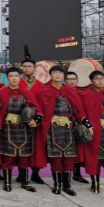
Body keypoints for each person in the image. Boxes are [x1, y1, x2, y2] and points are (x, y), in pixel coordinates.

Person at [37, 66, 93, 197]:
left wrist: (88, 124)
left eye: (60, 73)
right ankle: (57, 185)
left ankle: (67, 185)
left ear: (63, 75)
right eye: (54, 73)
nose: (57, 75)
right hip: (52, 129)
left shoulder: (70, 90)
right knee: (56, 158)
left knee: (69, 158)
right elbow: (40, 110)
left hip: (69, 129)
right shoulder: (44, 91)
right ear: (50, 75)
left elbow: (78, 110)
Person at [0, 67, 43, 193]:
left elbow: (37, 109)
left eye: (16, 76)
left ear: (19, 78)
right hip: (8, 128)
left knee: (24, 157)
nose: (14, 78)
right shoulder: (1, 93)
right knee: (8, 157)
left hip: (24, 129)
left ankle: (25, 182)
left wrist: (36, 119)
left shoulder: (26, 92)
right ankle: (7, 182)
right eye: (11, 76)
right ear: (7, 78)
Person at [19, 59, 45, 185]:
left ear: (34, 68)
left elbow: (43, 104)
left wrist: (38, 119)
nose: (27, 68)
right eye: (25, 66)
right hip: (19, 120)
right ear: (21, 68)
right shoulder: (17, 82)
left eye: (30, 66)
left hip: (36, 120)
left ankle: (35, 173)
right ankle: (21, 174)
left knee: (37, 147)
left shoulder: (41, 85)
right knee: (21, 146)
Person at [65, 71, 90, 184]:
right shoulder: (62, 93)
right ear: (65, 81)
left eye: (74, 79)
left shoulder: (82, 94)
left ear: (77, 81)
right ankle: (64, 174)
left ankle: (77, 174)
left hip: (79, 125)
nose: (71, 81)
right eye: (69, 79)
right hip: (65, 125)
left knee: (78, 150)